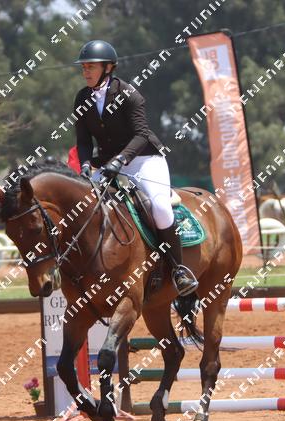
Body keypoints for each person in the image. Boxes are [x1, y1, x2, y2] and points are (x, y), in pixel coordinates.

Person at [72, 40, 198, 296]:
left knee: (159, 207)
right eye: (84, 67)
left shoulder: (129, 94)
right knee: (83, 206)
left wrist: (120, 160)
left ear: (108, 68)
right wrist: (85, 164)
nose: (86, 72)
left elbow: (141, 135)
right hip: (107, 163)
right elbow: (83, 141)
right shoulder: (82, 97)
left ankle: (179, 270)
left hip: (144, 159)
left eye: (90, 67)